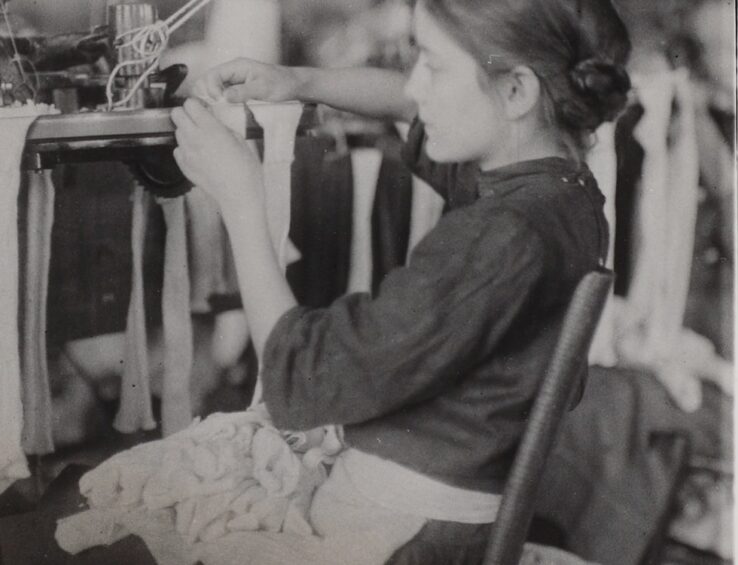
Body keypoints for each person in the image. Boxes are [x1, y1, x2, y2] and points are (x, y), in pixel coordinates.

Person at [169, 0, 632, 561]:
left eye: (432, 67)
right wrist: (300, 82)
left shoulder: (500, 237)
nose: (413, 87)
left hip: (402, 533)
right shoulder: (557, 194)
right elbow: (407, 105)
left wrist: (241, 199)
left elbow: (305, 373)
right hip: (443, 512)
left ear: (516, 91)